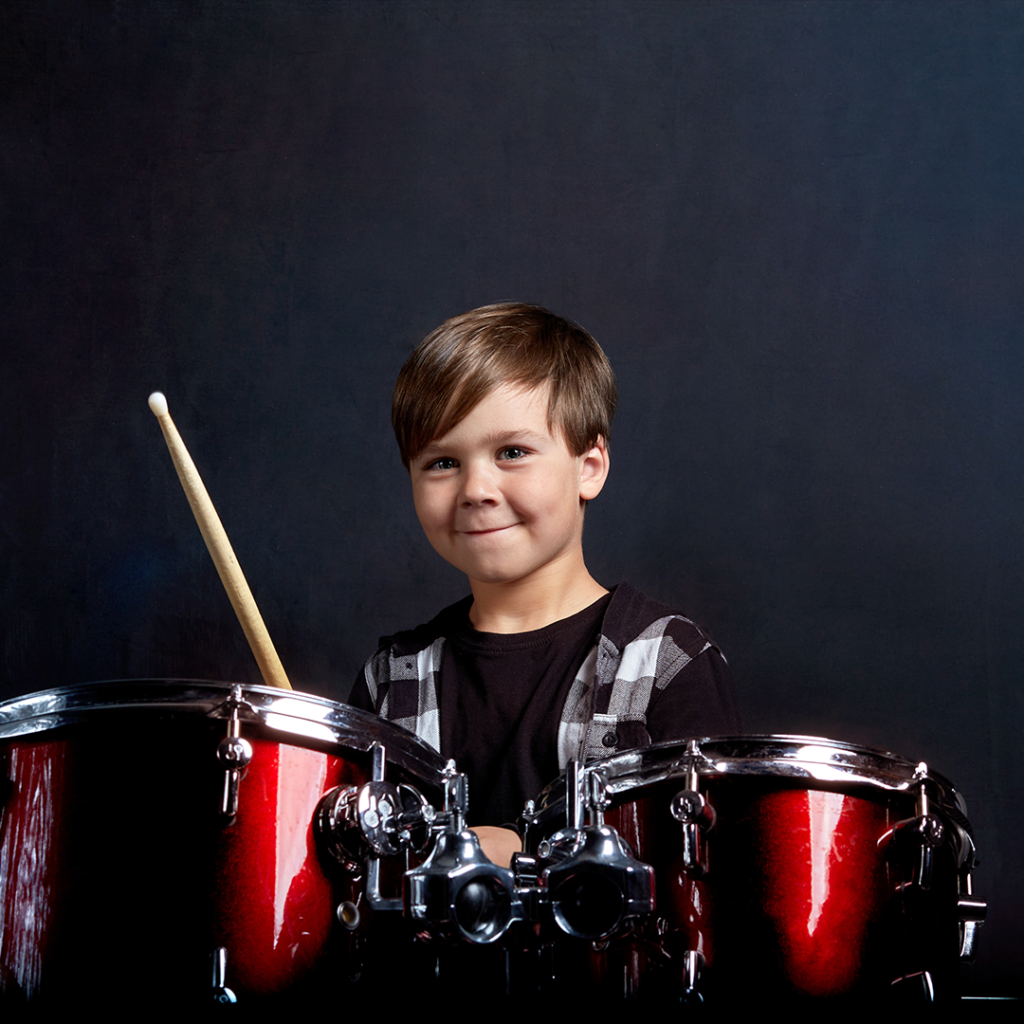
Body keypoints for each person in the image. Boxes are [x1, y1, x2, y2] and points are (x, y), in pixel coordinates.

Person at [349, 303, 740, 866]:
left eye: (512, 452)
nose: (475, 489)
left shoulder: (669, 662)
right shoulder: (389, 679)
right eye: (441, 462)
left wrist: (526, 853)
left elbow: (704, 879)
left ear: (590, 467)